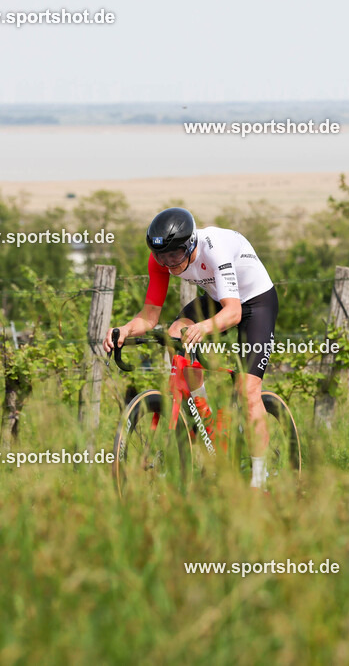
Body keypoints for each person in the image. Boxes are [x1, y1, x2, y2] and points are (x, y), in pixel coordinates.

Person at [103, 207, 278, 488]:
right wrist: (123, 330)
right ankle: (203, 415)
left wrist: (205, 327)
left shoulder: (214, 249)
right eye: (162, 257)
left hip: (255, 302)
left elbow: (232, 313)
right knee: (175, 333)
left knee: (248, 390)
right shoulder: (159, 260)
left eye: (174, 255)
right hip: (218, 298)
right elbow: (149, 316)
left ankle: (259, 481)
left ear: (191, 244)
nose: (169, 264)